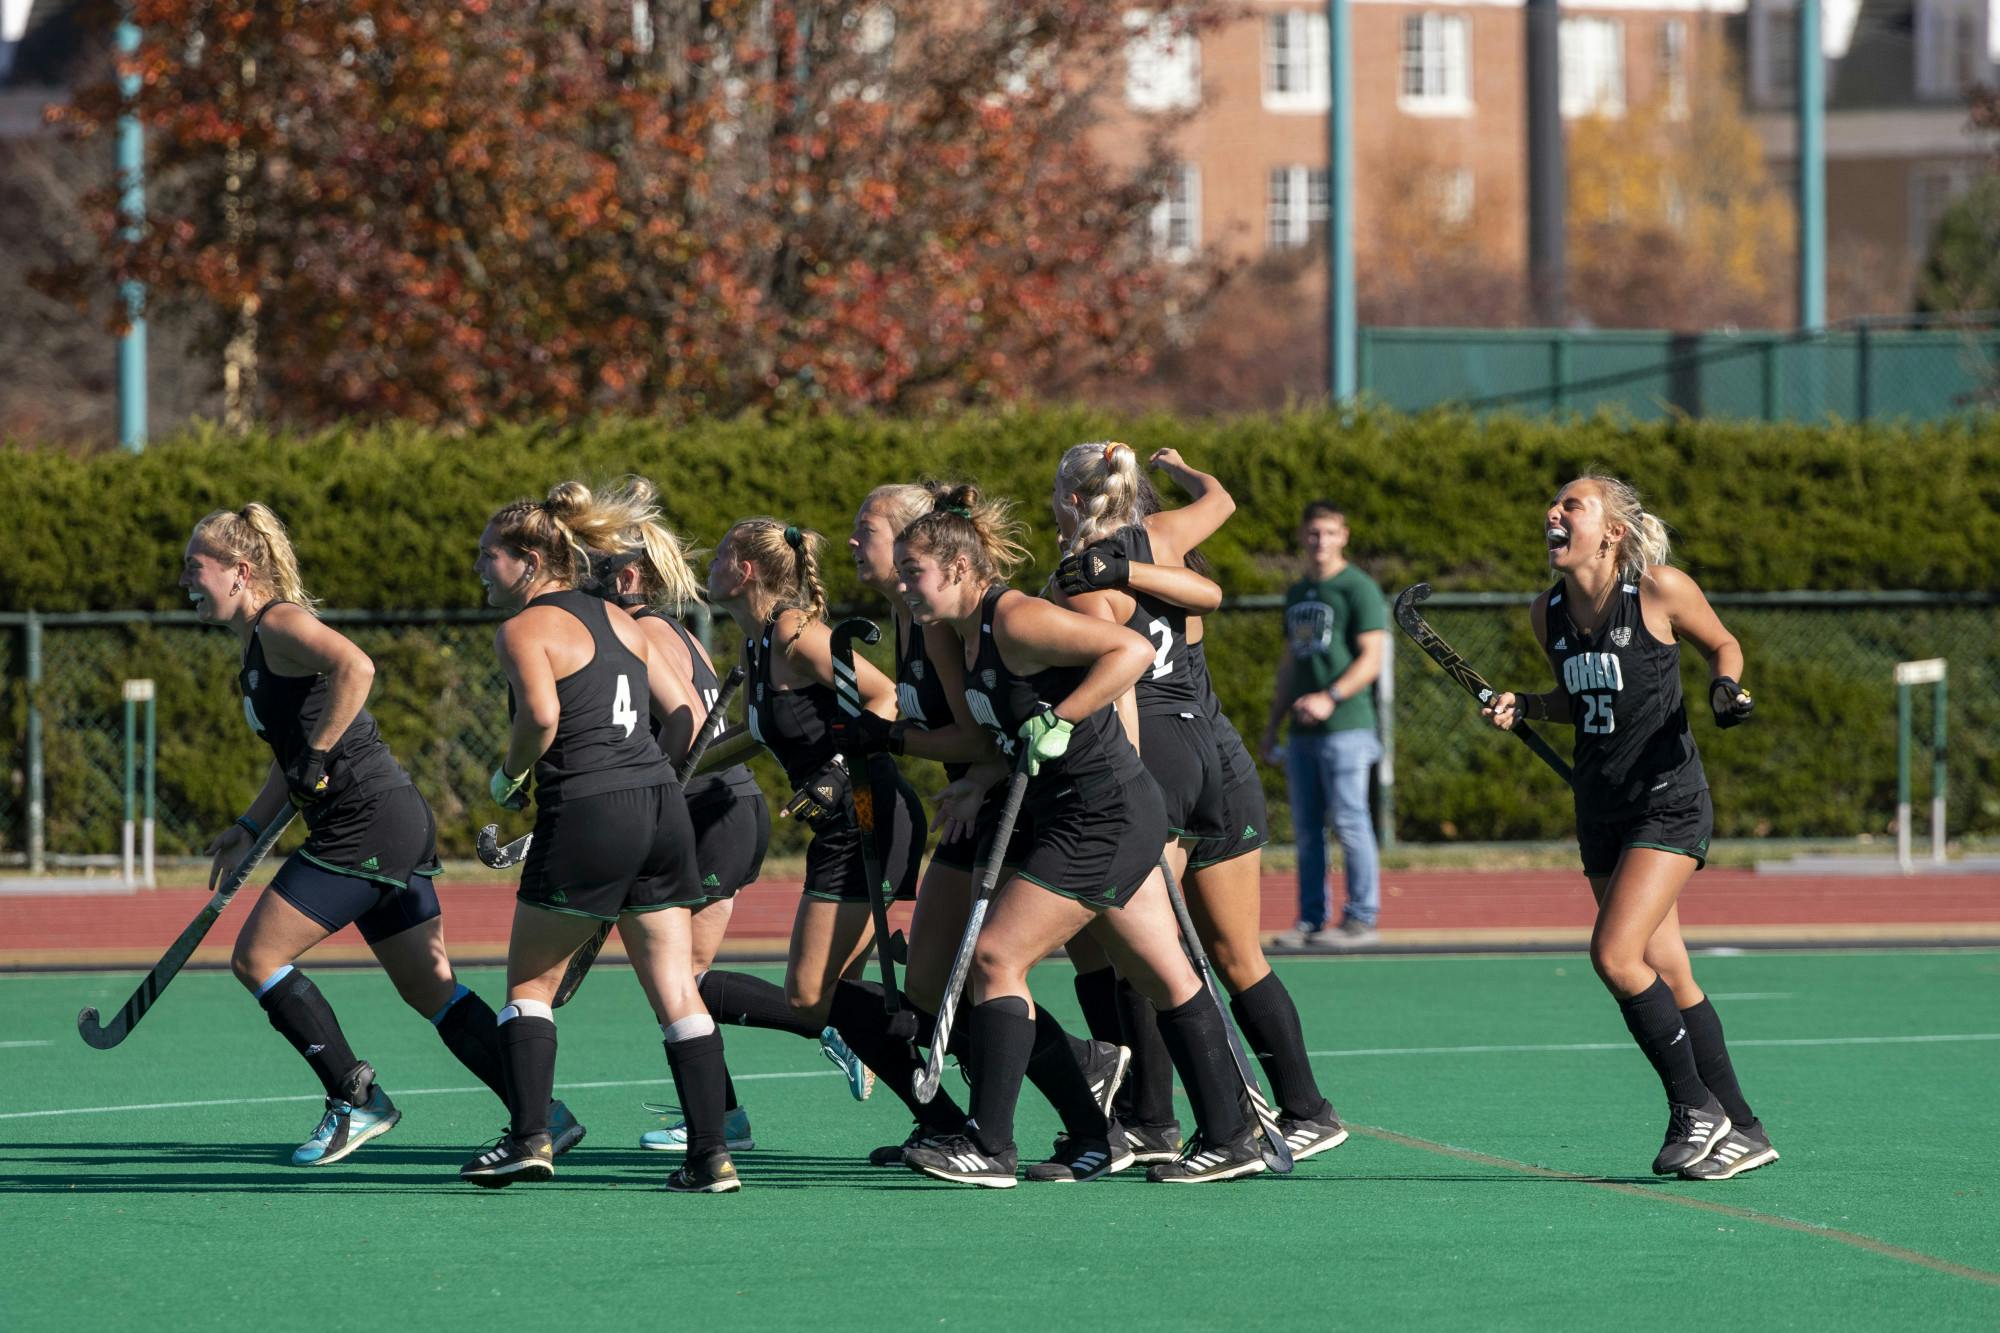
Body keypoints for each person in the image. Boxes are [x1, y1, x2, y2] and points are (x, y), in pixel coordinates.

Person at [183, 503, 582, 1167]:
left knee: (256, 957)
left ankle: (356, 1096)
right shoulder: (257, 645)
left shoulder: (280, 621)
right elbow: (295, 757)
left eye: (194, 568)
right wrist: (249, 826)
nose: (185, 582)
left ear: (238, 572)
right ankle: (544, 1116)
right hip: (386, 819)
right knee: (431, 988)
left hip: (366, 820)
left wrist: (317, 755)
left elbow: (357, 667)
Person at [894, 488, 1267, 1187]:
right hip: (1085, 812)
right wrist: (982, 776)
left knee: (997, 957)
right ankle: (1229, 1135)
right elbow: (1005, 726)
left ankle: (990, 1144)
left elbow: (1125, 651)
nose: (902, 583)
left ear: (957, 565)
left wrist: (1061, 716)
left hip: (1103, 814)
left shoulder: (1016, 618)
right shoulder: (963, 634)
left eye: (912, 569)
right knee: (1166, 976)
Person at [1055, 446, 1349, 1163]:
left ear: (1069, 499)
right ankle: (1293, 1107)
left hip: (1159, 751)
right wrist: (1183, 469)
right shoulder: (1167, 540)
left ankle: (1164, 1119)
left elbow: (1114, 680)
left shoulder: (1078, 577)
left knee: (1145, 952)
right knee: (1218, 949)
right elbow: (1221, 502)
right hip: (1217, 749)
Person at [1481, 474, 1775, 1181]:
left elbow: (1723, 644)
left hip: (1668, 799)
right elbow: (1583, 701)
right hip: (1601, 806)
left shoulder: (1658, 590)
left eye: (1571, 505)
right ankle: (1744, 1126)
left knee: (1615, 956)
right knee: (1668, 969)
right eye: (1554, 504)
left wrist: (1725, 688)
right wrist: (1526, 705)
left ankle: (1693, 1108)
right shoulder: (1545, 613)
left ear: (1611, 530)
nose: (1554, 512)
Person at [840, 484, 1131, 1179]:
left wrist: (915, 747)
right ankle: (1054, 1100)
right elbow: (966, 731)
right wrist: (885, 738)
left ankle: (1019, 1126)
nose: (854, 542)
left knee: (988, 968)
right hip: (977, 799)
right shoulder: (912, 615)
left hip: (1015, 803)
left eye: (868, 530)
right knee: (939, 980)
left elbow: (984, 729)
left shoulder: (946, 621)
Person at [461, 482, 734, 1193]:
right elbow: (685, 717)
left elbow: (541, 717)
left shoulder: (524, 629)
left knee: (529, 983)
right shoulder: (624, 618)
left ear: (527, 559)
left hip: (587, 809)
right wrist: (650, 780)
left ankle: (529, 1138)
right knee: (677, 988)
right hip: (660, 807)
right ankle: (711, 1155)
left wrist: (509, 776)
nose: (480, 570)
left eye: (489, 556)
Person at [694, 517, 969, 1149]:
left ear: (745, 571)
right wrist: (668, 775)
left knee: (812, 995)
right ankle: (947, 1124)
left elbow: (888, 696)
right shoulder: (757, 644)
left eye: (717, 556)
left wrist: (836, 772)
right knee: (831, 1000)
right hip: (844, 827)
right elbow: (755, 736)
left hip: (870, 818)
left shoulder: (796, 635)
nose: (706, 568)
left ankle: (1025, 1059)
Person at [567, 477, 771, 1156]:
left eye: (593, 571)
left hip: (708, 811)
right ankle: (724, 1116)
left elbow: (689, 724)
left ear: (627, 575)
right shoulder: (675, 627)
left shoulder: (645, 628)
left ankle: (828, 1020)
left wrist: (634, 787)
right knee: (685, 984)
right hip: (728, 807)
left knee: (676, 982)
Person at [1261, 501, 1387, 949]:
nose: (1321, 542)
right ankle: (1311, 920)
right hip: (1301, 734)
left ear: (1344, 536)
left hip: (1348, 730)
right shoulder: (1297, 592)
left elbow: (1373, 657)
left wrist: (1330, 698)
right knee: (1307, 829)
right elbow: (1289, 665)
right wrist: (1273, 725)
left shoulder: (1358, 588)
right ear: (1303, 536)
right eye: (1314, 533)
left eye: (1329, 533)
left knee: (1351, 821)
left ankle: (1360, 919)